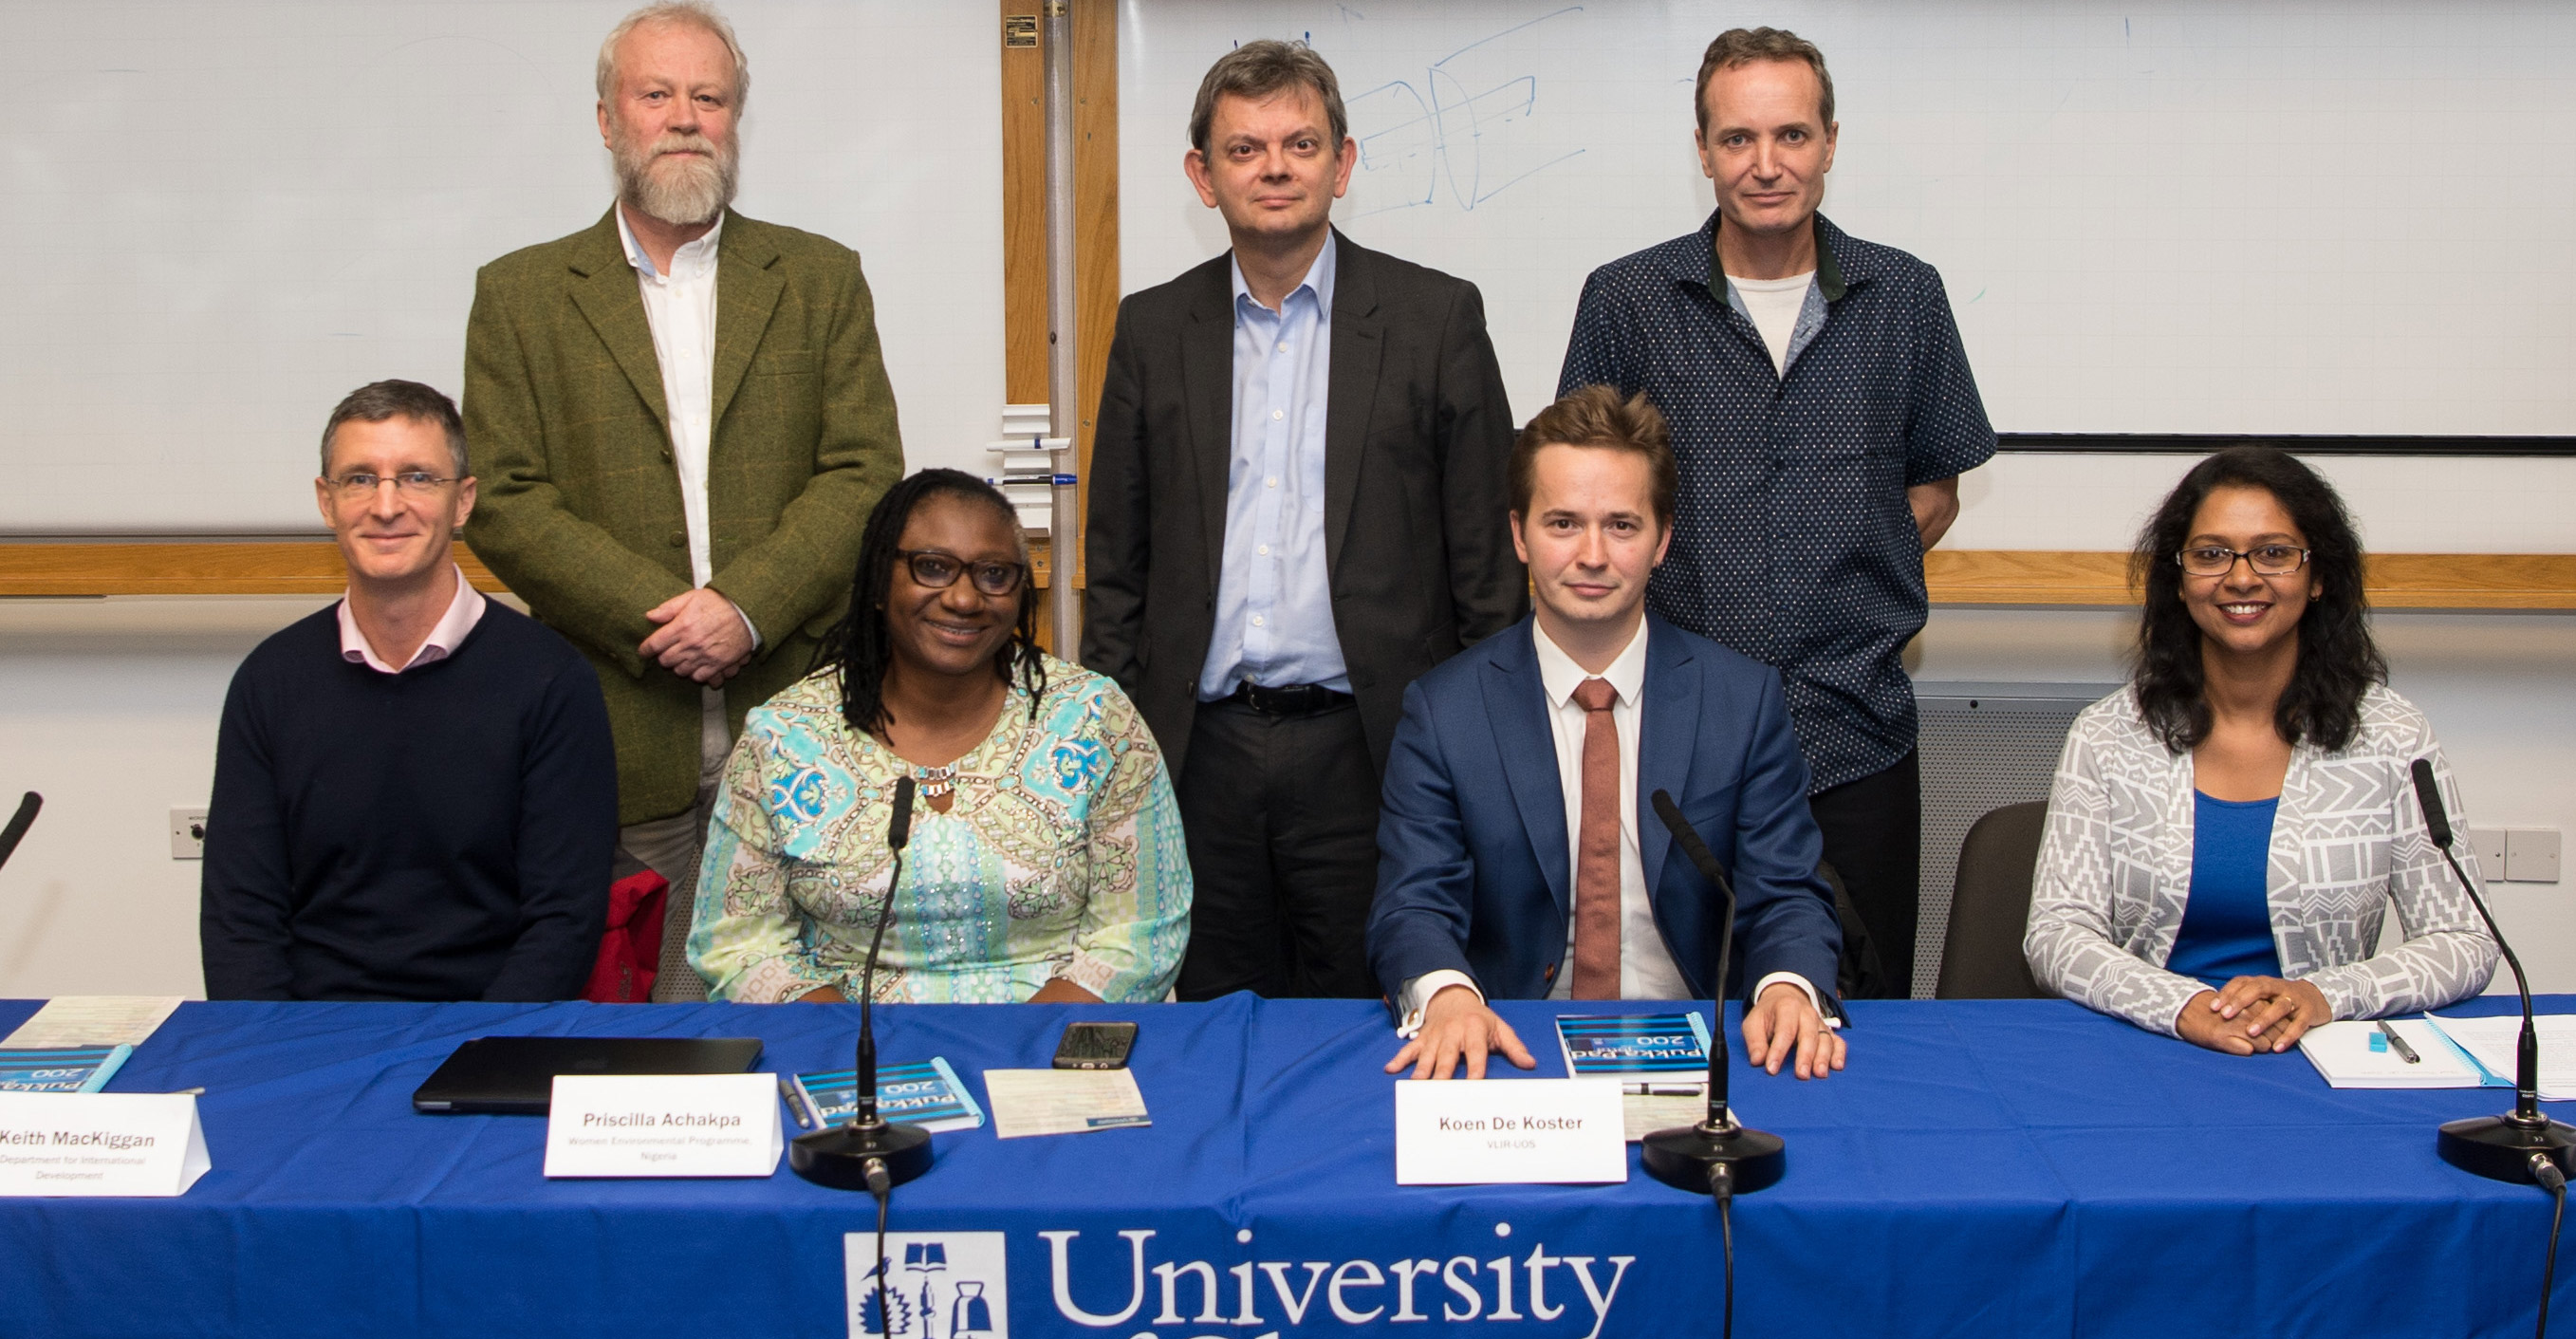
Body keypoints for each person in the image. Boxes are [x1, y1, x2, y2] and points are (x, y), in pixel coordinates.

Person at [463, 1, 900, 1000]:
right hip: (618, 725)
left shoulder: (821, 279)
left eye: (709, 96)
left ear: (736, 118)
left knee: (817, 1009)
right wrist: (663, 620)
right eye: (656, 94)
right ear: (609, 119)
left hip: (799, 720)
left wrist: (743, 607)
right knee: (642, 1027)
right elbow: (506, 496)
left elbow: (865, 470)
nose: (685, 117)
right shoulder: (521, 294)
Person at [1556, 28, 1995, 993]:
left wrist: (1843, 550)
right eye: (1738, 138)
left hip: (1856, 733)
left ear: (1831, 142)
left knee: (1860, 1013)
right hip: (1675, 736)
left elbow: (1935, 485)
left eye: (1791, 136)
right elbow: (1580, 495)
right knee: (1677, 1009)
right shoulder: (1627, 300)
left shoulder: (1905, 296)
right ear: (1704, 149)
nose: (1766, 165)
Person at [1085, 40, 1524, 1005]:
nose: (1275, 167)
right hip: (1198, 750)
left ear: (1343, 163)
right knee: (1206, 1015)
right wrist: (1117, 746)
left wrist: (1488, 754)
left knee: (1372, 1004)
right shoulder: (1154, 330)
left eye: (1300, 143)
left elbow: (1488, 568)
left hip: (1374, 748)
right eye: (1244, 149)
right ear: (1203, 176)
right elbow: (1117, 563)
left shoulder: (1434, 318)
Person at [1370, 386, 1846, 1081]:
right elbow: (1412, 901)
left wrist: (1784, 986)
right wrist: (1447, 994)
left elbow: (1787, 894)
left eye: (1622, 525)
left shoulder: (1741, 702)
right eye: (1563, 523)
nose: (1592, 554)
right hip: (1509, 1047)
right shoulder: (1445, 712)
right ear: (1518, 535)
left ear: (1662, 541)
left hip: (1702, 1050)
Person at [2024, 449, 2498, 1052]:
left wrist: (2324, 995)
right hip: (2152, 1044)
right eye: (2211, 554)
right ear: (2179, 577)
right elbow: (2057, 934)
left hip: (2322, 1052)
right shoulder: (2108, 735)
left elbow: (2465, 939)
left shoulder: (2392, 735)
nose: (2242, 577)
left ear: (2318, 575)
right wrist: (2181, 1005)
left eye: (2274, 553)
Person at [689, 471, 1188, 1004]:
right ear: (881, 580)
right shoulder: (784, 736)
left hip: (1049, 1045)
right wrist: (853, 1049)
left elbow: (1139, 936)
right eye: (933, 568)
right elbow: (738, 944)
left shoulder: (1095, 719)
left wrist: (1021, 1048)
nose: (965, 598)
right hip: (850, 1048)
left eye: (994, 574)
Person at [202, 381, 618, 1001]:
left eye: (418, 477)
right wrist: (278, 1053)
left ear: (463, 501)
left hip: (488, 1035)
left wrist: (473, 1054)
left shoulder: (551, 680)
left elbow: (563, 925)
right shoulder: (270, 681)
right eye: (360, 479)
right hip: (310, 1036)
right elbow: (240, 924)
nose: (387, 505)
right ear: (326, 500)